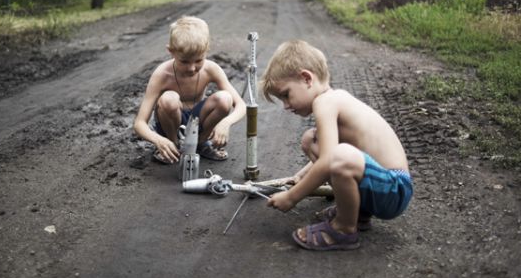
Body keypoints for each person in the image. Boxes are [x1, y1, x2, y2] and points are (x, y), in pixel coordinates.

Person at [261, 40, 413, 251]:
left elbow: (330, 159)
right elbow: (326, 154)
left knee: (339, 156)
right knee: (310, 139)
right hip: (380, 185)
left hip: (395, 188)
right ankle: (357, 213)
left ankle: (343, 229)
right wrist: (300, 176)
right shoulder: (333, 100)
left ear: (306, 78)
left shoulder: (325, 102)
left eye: (286, 95)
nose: (286, 106)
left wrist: (291, 197)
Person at [133, 16, 246, 164]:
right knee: (169, 99)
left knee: (224, 99)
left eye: (199, 60)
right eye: (184, 61)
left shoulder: (211, 69)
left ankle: (200, 143)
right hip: (169, 123)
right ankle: (172, 146)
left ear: (207, 50)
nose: (192, 68)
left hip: (198, 122)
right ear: (171, 52)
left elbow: (241, 105)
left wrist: (225, 123)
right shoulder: (162, 74)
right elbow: (139, 123)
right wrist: (158, 140)